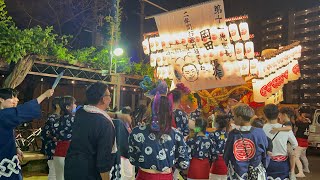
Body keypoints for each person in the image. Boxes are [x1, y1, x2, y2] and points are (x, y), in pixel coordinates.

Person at [128, 93, 190, 180]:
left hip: (144, 176)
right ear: (170, 111)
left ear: (151, 109)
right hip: (166, 176)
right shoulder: (176, 134)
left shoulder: (137, 131)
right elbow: (184, 163)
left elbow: (132, 159)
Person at [65, 82, 118, 180]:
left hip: (71, 168)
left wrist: (117, 115)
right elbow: (103, 159)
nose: (110, 98)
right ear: (103, 99)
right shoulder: (105, 124)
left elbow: (96, 113)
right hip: (90, 173)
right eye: (109, 95)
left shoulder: (80, 113)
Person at [0, 88, 54, 180]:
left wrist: (16, 147)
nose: (16, 100)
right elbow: (23, 110)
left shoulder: (4, 115)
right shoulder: (3, 115)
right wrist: (44, 95)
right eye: (13, 97)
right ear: (1, 99)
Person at [224, 103, 269, 179]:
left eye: (234, 116)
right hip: (256, 173)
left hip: (238, 173)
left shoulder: (233, 134)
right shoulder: (259, 132)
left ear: (240, 118)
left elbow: (227, 155)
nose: (233, 118)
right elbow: (265, 152)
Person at [263, 104, 298, 180]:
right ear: (278, 114)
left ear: (265, 115)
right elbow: (295, 144)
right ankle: (292, 173)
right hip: (282, 164)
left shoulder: (260, 129)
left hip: (267, 163)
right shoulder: (286, 129)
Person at [52, 96, 76, 180]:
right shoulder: (74, 118)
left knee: (59, 177)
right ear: (68, 107)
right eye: (73, 104)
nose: (75, 105)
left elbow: (54, 134)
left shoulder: (57, 119)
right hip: (69, 151)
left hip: (58, 151)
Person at [40, 96, 61, 180]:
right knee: (53, 171)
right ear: (57, 105)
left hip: (59, 149)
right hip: (53, 149)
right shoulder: (52, 118)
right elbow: (46, 134)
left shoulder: (61, 118)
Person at [209, 115, 228, 180]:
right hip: (226, 165)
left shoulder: (212, 135)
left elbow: (210, 150)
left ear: (215, 124)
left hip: (215, 165)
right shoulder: (230, 135)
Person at [294, 109, 311, 178]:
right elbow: (299, 119)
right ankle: (306, 169)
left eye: (302, 116)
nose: (301, 117)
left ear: (305, 118)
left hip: (300, 143)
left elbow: (297, 119)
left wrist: (296, 112)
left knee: (296, 157)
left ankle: (301, 172)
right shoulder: (307, 124)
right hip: (305, 143)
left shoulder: (302, 124)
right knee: (303, 156)